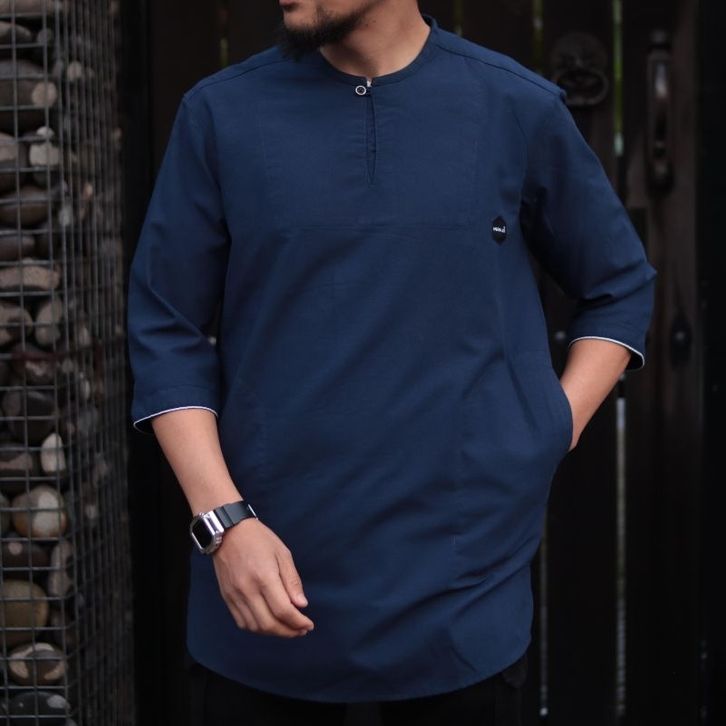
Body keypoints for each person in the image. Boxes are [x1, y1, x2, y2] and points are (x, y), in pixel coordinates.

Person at [126, 1, 657, 724]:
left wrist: (549, 428)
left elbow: (618, 284)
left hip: (462, 582)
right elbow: (167, 325)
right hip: (264, 568)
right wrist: (223, 524)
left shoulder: (514, 106)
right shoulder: (221, 114)